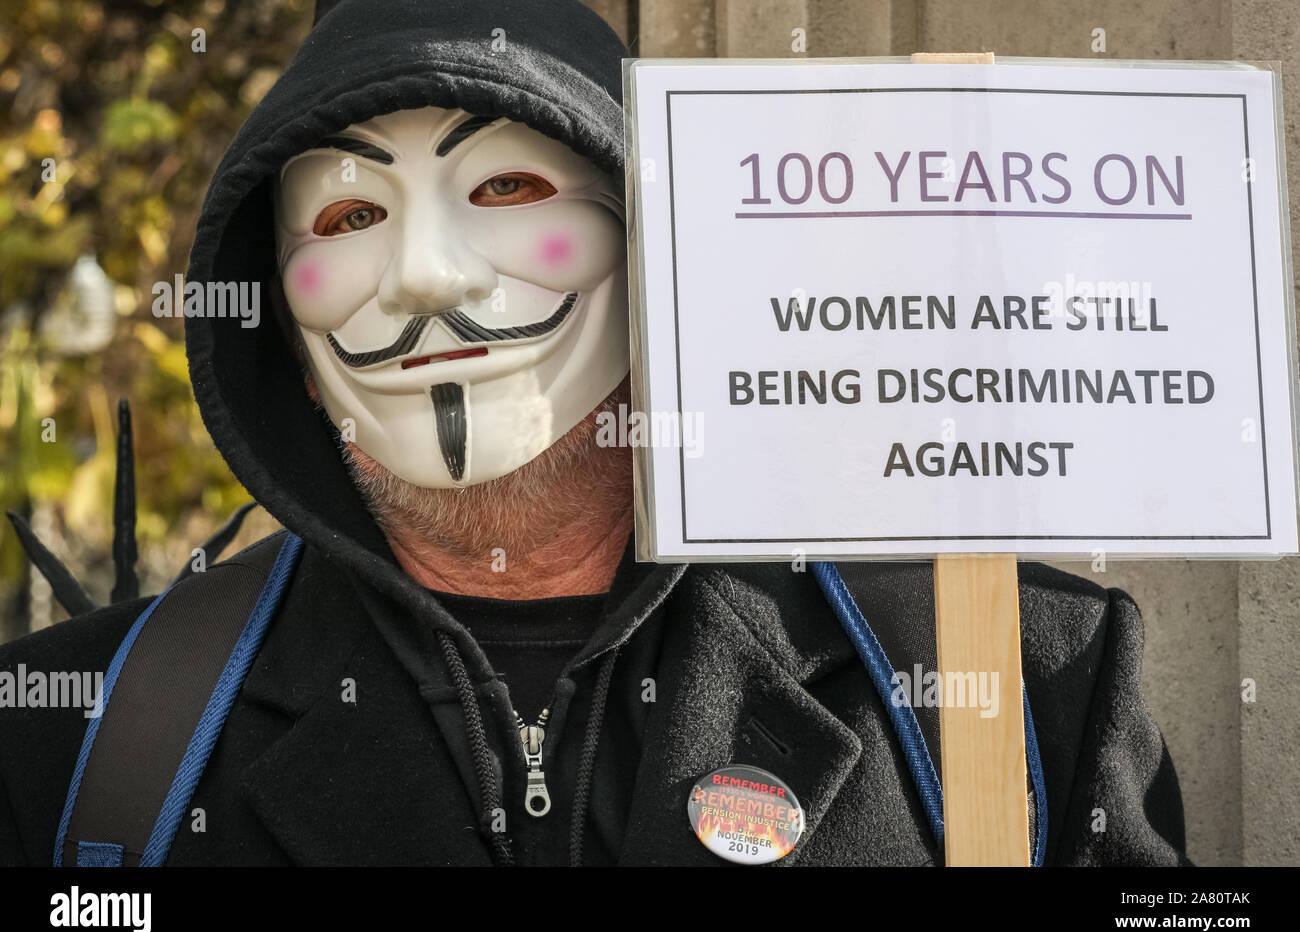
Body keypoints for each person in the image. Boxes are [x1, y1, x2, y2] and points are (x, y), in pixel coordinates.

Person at [0, 0, 1189, 866]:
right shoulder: (73, 740)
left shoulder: (1018, 681)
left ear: (663, 259)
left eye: (508, 190)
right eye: (352, 214)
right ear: (286, 346)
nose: (420, 273)